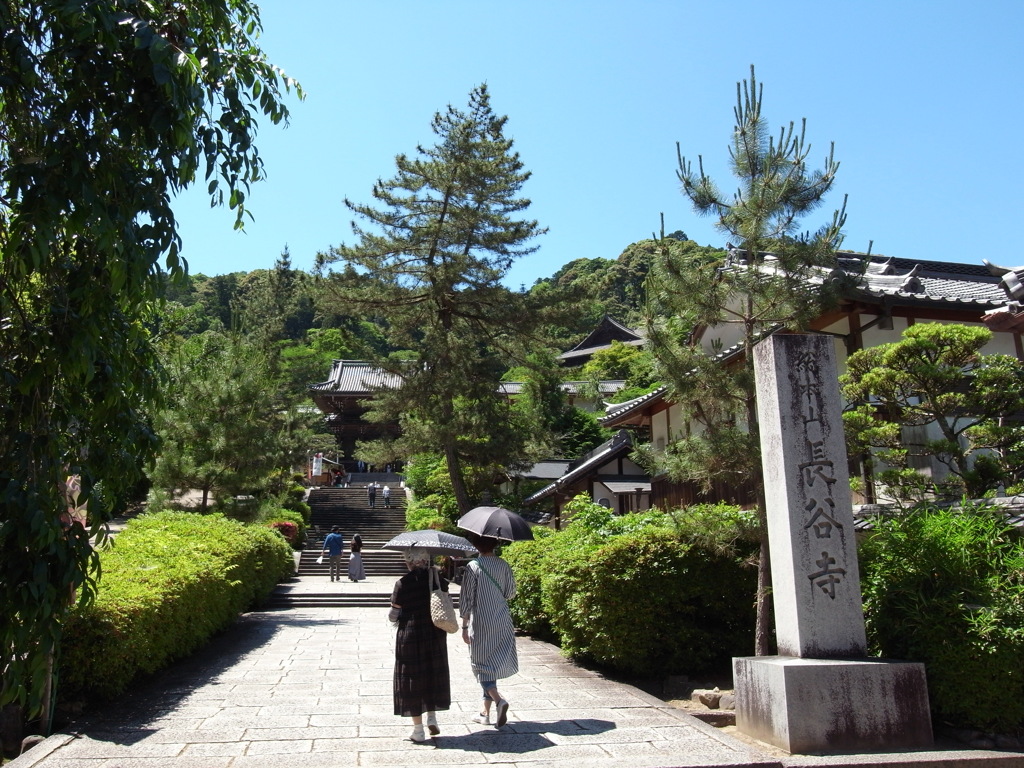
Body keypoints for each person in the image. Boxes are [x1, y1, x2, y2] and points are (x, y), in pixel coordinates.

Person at [390, 548, 451, 742]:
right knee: (432, 673)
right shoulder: (438, 579)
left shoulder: (402, 583)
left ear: (408, 561)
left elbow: (394, 614)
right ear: (426, 559)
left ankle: (418, 730)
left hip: (411, 635)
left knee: (412, 679)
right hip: (435, 634)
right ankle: (432, 716)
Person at [459, 534, 517, 727]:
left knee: (480, 664)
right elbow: (510, 593)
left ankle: (499, 700)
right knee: (490, 665)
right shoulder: (503, 565)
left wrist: (465, 626)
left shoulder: (473, 566)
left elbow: (467, 599)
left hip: (481, 622)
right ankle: (485, 713)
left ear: (476, 545)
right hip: (502, 619)